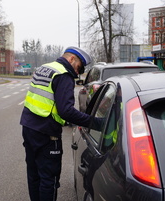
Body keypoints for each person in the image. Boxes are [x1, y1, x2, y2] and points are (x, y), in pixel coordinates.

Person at [20, 46, 100, 201]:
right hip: (46, 134)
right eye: (79, 67)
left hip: (29, 128)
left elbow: (47, 100)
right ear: (71, 59)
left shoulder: (45, 68)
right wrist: (94, 122)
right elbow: (66, 111)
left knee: (34, 174)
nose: (78, 72)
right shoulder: (64, 75)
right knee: (49, 179)